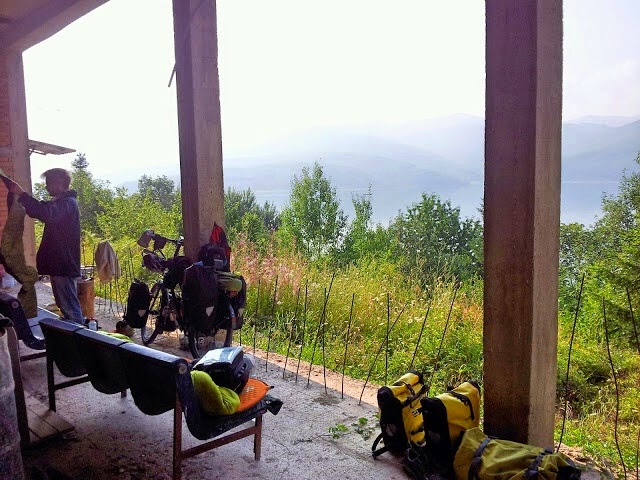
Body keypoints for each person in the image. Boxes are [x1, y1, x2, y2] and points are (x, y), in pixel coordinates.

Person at [7, 168, 83, 325]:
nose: (46, 186)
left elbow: (46, 213)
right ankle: (71, 330)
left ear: (60, 183)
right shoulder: (61, 203)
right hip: (59, 264)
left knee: (70, 307)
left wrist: (22, 194)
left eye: (49, 183)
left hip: (64, 264)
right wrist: (23, 199)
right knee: (64, 304)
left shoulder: (68, 204)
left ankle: (78, 334)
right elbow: (40, 209)